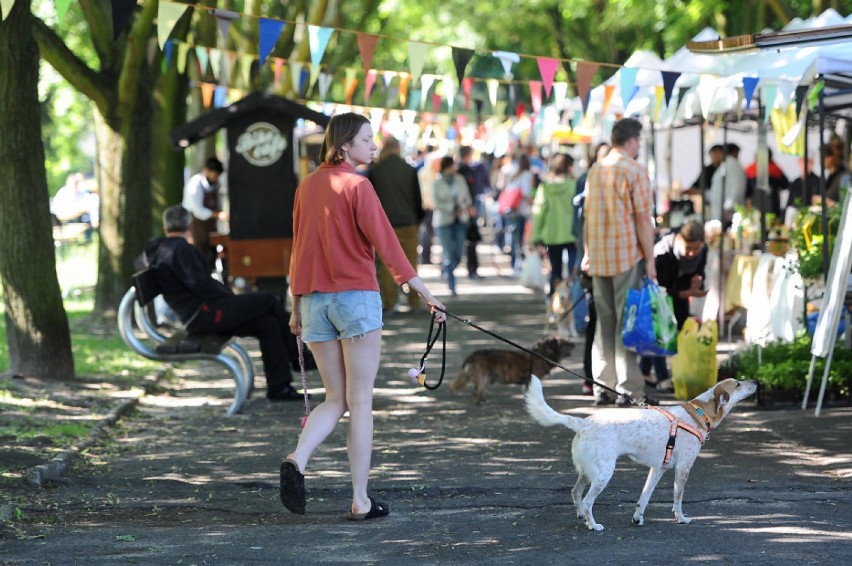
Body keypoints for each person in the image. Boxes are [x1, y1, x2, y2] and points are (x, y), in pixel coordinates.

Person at [281, 112, 446, 520]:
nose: (373, 146)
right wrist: (424, 291)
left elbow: (299, 248)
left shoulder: (306, 187)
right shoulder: (358, 185)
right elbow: (387, 243)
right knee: (359, 401)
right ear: (344, 146)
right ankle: (359, 500)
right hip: (355, 299)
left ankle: (298, 458)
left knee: (334, 399)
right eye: (366, 140)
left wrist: (296, 305)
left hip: (315, 303)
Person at [143, 205, 305, 401]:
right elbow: (200, 284)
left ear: (165, 225)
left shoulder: (158, 248)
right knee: (269, 301)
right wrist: (229, 297)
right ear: (189, 225)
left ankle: (279, 387)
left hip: (198, 313)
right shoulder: (182, 250)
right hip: (204, 313)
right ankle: (299, 358)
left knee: (267, 323)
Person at [582, 117, 656, 407]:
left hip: (599, 256)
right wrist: (650, 259)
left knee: (604, 322)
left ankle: (604, 386)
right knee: (629, 322)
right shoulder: (635, 170)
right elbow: (642, 219)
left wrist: (587, 252)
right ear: (632, 140)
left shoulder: (596, 170)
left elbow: (587, 217)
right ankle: (629, 389)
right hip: (626, 254)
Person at [639, 220, 708, 392]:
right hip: (660, 295)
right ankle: (663, 378)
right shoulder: (662, 253)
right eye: (688, 248)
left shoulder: (702, 251)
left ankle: (644, 372)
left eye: (696, 249)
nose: (692, 253)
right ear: (679, 240)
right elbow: (661, 290)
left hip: (680, 295)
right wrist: (686, 292)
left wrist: (696, 283)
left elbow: (700, 272)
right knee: (661, 333)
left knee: (676, 331)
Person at [367, 137, 425, 312]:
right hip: (408, 223)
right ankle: (414, 300)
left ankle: (390, 302)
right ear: (398, 148)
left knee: (386, 266)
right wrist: (417, 220)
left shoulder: (376, 171)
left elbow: (371, 201)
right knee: (411, 264)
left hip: (385, 226)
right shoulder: (409, 169)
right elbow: (418, 199)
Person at [530, 153, 578, 297]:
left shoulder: (545, 186)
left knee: (555, 272)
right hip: (572, 234)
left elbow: (538, 212)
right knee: (573, 274)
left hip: (551, 234)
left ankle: (552, 304)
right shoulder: (574, 185)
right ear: (569, 167)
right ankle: (574, 307)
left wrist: (535, 237)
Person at [431, 156, 472, 296]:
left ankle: (447, 269)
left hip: (460, 219)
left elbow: (467, 197)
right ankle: (451, 283)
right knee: (448, 252)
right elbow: (436, 203)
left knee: (459, 253)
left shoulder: (460, 179)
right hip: (443, 221)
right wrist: (451, 209)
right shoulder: (437, 182)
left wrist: (462, 207)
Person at [182, 157, 228, 272]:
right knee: (197, 257)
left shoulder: (214, 185)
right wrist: (218, 215)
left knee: (210, 257)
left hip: (210, 229)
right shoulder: (195, 185)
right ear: (207, 170)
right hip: (195, 227)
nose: (216, 178)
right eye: (214, 175)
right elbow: (199, 212)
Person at [457, 146, 490, 279]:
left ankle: (471, 268)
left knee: (470, 240)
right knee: (469, 240)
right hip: (466, 209)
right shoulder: (464, 170)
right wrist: (469, 206)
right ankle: (471, 268)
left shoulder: (465, 169)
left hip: (466, 207)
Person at [708, 143, 747, 227]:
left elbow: (737, 188)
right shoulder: (725, 165)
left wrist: (727, 208)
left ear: (718, 153)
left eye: (712, 156)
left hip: (728, 215)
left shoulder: (732, 165)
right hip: (722, 214)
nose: (712, 160)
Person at [745, 148, 789, 217]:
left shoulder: (749, 169)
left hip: (754, 206)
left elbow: (745, 190)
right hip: (773, 205)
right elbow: (785, 185)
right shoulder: (776, 169)